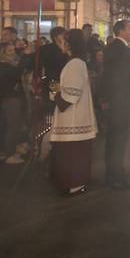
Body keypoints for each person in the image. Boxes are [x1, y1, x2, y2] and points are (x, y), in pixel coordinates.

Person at [49, 29, 98, 195]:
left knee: (73, 155)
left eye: (63, 41)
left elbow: (70, 97)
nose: (61, 44)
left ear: (70, 44)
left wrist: (54, 93)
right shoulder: (75, 62)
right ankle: (72, 184)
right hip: (75, 118)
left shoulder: (75, 64)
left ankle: (74, 185)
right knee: (73, 154)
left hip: (73, 119)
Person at [101, 19, 130, 188]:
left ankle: (115, 172)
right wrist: (111, 99)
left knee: (116, 139)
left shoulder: (119, 48)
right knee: (117, 139)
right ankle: (115, 176)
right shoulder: (118, 48)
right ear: (121, 31)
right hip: (118, 102)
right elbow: (113, 77)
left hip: (118, 101)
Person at [0, 26, 26, 165]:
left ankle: (10, 149)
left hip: (12, 96)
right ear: (2, 53)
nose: (13, 53)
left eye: (13, 50)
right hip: (9, 97)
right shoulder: (4, 66)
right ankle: (9, 153)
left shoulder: (9, 63)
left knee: (13, 124)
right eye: (10, 51)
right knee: (12, 125)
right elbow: (16, 73)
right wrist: (25, 57)